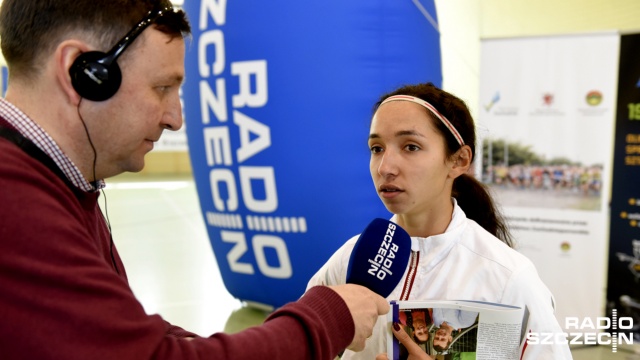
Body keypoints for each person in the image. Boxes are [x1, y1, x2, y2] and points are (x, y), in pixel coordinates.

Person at [0, 1, 389, 359]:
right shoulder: (14, 200)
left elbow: (129, 339)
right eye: (162, 88)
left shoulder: (60, 184)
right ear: (83, 73)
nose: (175, 118)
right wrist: (327, 318)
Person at [306, 82, 573, 359]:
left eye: (410, 146)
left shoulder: (508, 278)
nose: (385, 167)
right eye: (376, 148)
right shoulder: (351, 259)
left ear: (458, 160)